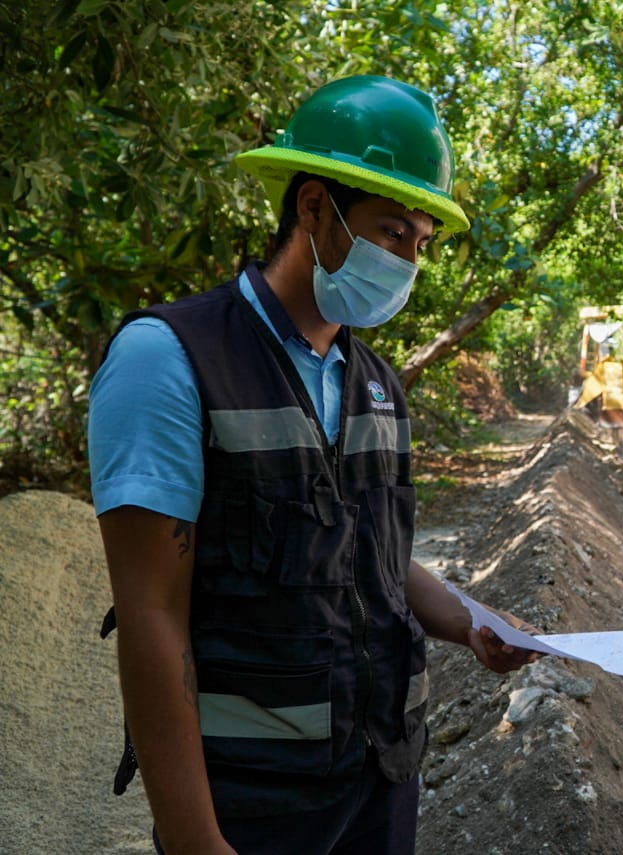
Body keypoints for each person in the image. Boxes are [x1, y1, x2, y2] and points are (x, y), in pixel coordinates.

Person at [89, 75, 539, 855]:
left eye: (420, 243)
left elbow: (380, 560)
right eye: (391, 231)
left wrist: (473, 622)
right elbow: (151, 615)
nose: (407, 260)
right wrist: (196, 838)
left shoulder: (377, 386)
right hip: (252, 804)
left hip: (382, 779)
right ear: (311, 208)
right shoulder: (170, 360)